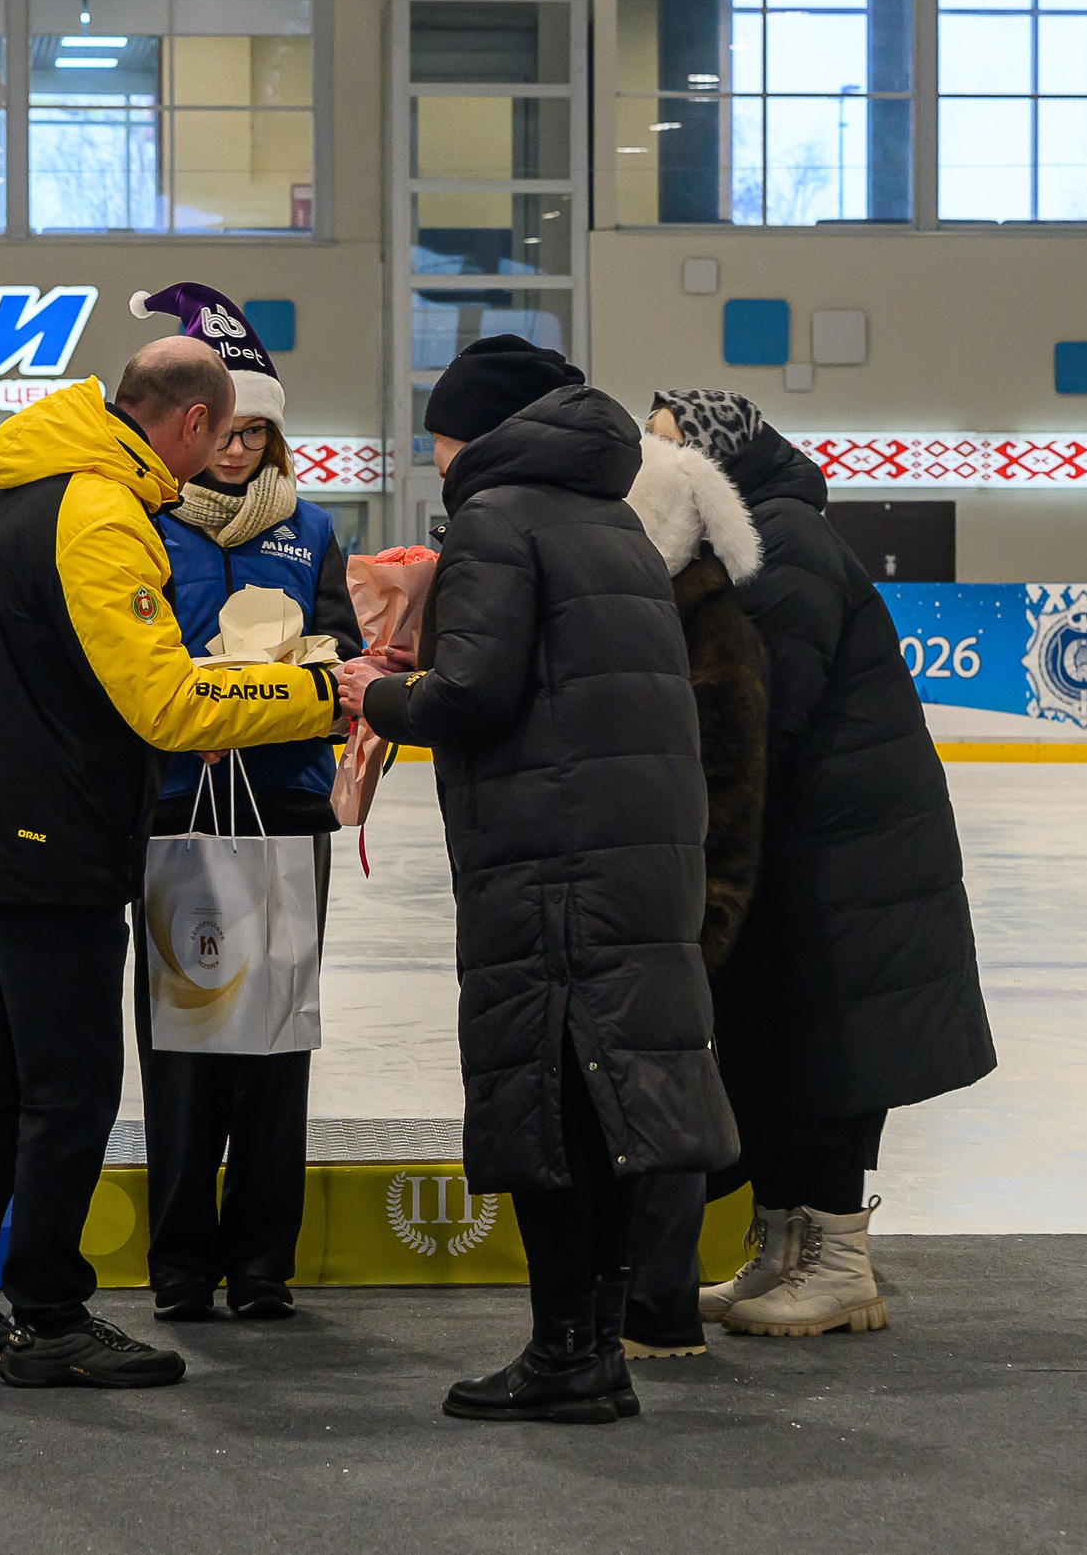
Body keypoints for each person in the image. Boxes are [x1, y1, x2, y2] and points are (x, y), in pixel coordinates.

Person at [0, 335, 343, 1392]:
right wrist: (322, 695)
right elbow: (168, 701)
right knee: (69, 1087)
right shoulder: (98, 510)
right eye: (213, 436)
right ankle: (46, 1312)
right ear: (188, 423)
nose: (211, 457)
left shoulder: (31, 484)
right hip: (46, 838)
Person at [339, 336, 738, 1424]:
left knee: (551, 1103)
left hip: (552, 854)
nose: (435, 454)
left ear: (474, 432)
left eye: (438, 434)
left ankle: (565, 1351)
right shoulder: (611, 518)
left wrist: (371, 696)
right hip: (632, 851)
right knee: (601, 1098)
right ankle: (592, 1344)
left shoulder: (496, 520)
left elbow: (472, 695)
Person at [653, 389, 995, 1343]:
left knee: (834, 1052)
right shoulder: (747, 538)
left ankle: (839, 1262)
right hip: (805, 846)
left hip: (848, 857)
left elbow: (769, 706)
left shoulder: (784, 543)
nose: (657, 461)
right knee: (780, 1048)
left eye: (672, 446)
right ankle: (781, 1248)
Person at [130, 282, 362, 1323]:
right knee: (184, 1052)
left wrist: (316, 666)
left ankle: (262, 1263)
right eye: (223, 428)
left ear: (273, 437)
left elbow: (346, 663)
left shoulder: (311, 529)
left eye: (254, 430)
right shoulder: (147, 518)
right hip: (179, 813)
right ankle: (179, 1263)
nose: (235, 447)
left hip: (283, 817)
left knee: (273, 1047)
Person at [617, 421, 771, 1360]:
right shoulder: (649, 615)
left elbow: (735, 795)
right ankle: (639, 1299)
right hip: (639, 906)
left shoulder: (706, 629)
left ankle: (657, 1307)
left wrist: (706, 926)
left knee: (664, 1110)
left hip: (676, 918)